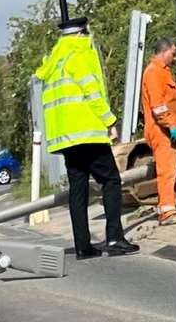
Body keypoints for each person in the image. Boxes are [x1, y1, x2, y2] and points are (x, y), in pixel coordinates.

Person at [35, 16, 139, 260]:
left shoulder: (54, 60)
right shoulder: (80, 54)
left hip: (66, 138)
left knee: (78, 190)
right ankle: (114, 237)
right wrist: (109, 121)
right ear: (82, 33)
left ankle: (83, 246)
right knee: (111, 181)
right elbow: (92, 92)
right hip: (88, 133)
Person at [140, 37, 176, 225]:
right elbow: (158, 106)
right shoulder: (154, 73)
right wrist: (170, 125)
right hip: (162, 131)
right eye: (173, 54)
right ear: (164, 52)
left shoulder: (163, 72)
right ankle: (167, 212)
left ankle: (171, 205)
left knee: (173, 170)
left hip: (168, 130)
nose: (175, 58)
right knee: (167, 171)